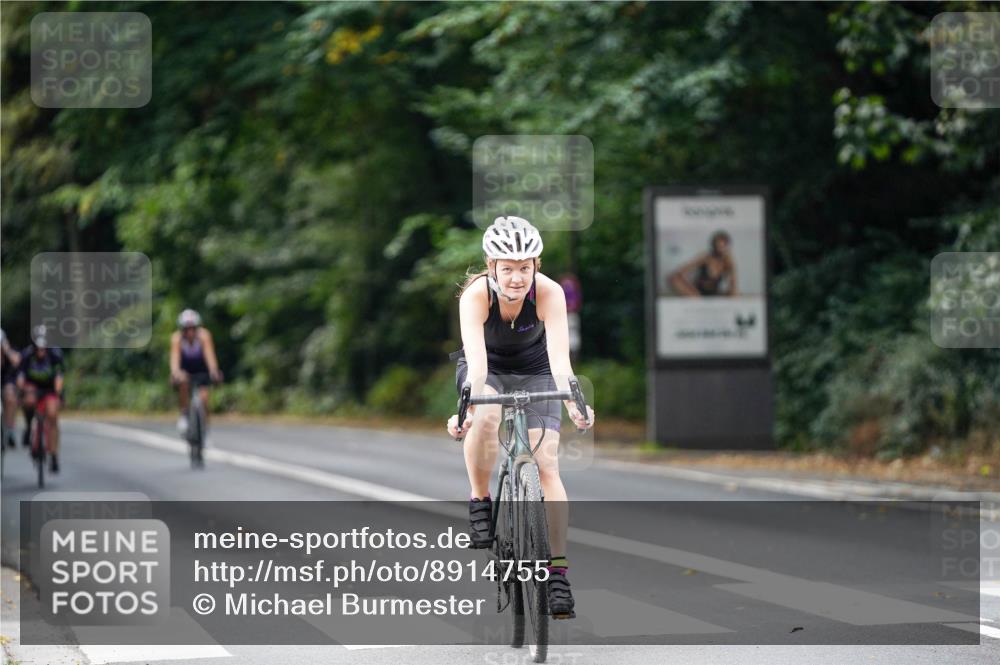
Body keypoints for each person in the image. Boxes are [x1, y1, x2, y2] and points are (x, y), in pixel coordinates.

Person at [446, 216, 596, 620]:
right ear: (491, 265)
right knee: (489, 414)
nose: (516, 277)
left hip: (536, 371)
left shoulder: (548, 294)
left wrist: (574, 405)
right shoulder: (476, 297)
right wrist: (471, 408)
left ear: (537, 265)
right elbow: (476, 365)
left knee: (547, 464)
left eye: (524, 267)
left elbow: (560, 361)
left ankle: (558, 572)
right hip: (488, 369)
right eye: (507, 267)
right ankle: (480, 498)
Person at [17, 325, 64, 472]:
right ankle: (28, 425)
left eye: (43, 347)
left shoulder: (55, 354)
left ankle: (54, 455)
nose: (40, 351)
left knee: (52, 415)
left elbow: (59, 376)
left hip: (49, 389)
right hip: (32, 388)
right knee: (29, 399)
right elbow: (20, 377)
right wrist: (21, 390)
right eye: (38, 347)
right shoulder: (27, 355)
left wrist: (57, 393)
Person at [170, 309, 222, 436]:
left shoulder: (204, 336)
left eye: (193, 328)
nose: (190, 332)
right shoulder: (177, 339)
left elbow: (210, 356)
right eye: (186, 329)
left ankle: (205, 430)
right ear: (182, 329)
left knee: (204, 398)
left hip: (201, 369)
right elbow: (175, 358)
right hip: (185, 369)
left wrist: (214, 371)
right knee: (183, 383)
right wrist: (175, 373)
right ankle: (184, 414)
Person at [668, 230, 738, 297]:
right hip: (697, 293)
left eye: (723, 247)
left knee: (734, 294)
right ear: (713, 246)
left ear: (727, 247)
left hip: (714, 293)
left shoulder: (728, 261)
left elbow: (733, 285)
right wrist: (690, 289)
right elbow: (679, 272)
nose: (720, 249)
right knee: (673, 278)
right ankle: (695, 298)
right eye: (717, 246)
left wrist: (732, 266)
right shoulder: (705, 257)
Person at [1, 329, 21, 448]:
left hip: (6, 381)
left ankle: (10, 428)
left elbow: (17, 360)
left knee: (10, 396)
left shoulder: (8, 354)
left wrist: (6, 350)